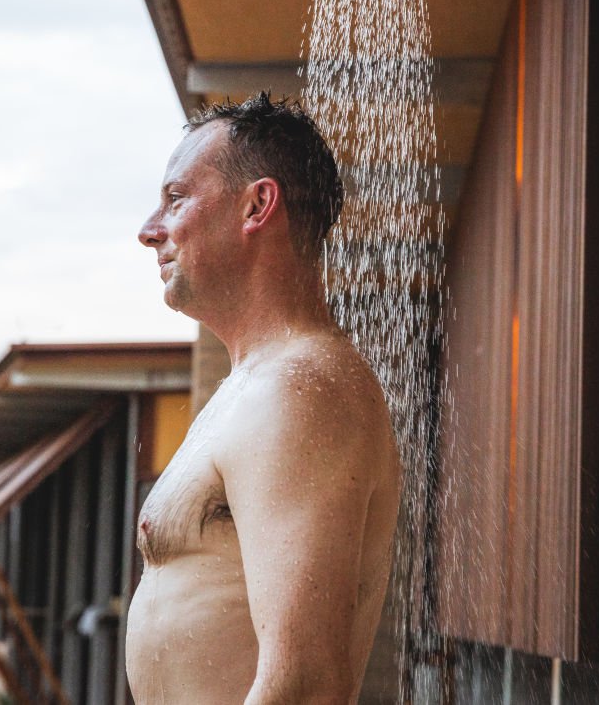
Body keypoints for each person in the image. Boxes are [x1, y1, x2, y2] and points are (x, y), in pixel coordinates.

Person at [128, 92, 401, 704]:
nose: (149, 231)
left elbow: (305, 684)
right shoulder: (259, 384)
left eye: (176, 198)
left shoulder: (299, 389)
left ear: (257, 206)